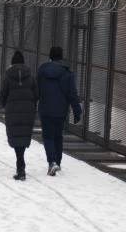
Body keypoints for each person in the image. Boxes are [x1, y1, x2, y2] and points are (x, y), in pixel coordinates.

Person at [36, 46, 82, 176]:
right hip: (61, 111)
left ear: (50, 56)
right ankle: (58, 162)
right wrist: (77, 111)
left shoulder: (42, 70)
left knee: (48, 137)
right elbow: (72, 94)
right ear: (61, 57)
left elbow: (36, 89)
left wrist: (33, 104)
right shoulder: (67, 74)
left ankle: (52, 162)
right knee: (58, 136)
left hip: (45, 110)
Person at [0, 50, 37, 181]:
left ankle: (20, 167)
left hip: (13, 111)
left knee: (16, 137)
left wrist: (6, 105)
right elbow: (36, 94)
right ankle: (20, 165)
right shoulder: (31, 77)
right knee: (23, 137)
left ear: (12, 62)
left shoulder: (8, 77)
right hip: (28, 112)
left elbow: (2, 96)